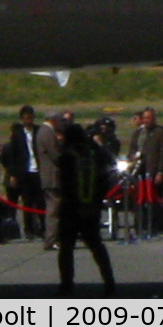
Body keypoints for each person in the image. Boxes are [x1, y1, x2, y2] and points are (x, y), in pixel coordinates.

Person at [54, 123, 116, 296]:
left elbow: (66, 185)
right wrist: (95, 202)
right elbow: (104, 179)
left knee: (66, 249)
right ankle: (109, 283)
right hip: (92, 207)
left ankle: (66, 285)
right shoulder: (94, 154)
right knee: (97, 246)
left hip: (71, 208)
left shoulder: (66, 157)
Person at [129, 106, 163, 237]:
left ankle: (155, 226)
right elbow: (131, 150)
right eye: (145, 118)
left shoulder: (161, 133)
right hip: (138, 172)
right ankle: (139, 226)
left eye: (149, 118)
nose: (147, 120)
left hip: (153, 172)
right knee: (138, 201)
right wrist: (132, 158)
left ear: (154, 119)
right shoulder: (138, 133)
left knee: (153, 201)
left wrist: (161, 171)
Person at [4, 106, 45, 241]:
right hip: (25, 172)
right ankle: (29, 230)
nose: (29, 120)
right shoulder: (17, 135)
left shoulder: (39, 131)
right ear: (22, 119)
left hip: (38, 171)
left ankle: (43, 228)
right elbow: (13, 156)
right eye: (26, 118)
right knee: (27, 202)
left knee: (41, 201)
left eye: (31, 117)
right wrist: (13, 175)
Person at [38, 113, 64, 248]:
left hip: (49, 175)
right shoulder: (47, 132)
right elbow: (54, 153)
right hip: (51, 175)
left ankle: (54, 238)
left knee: (55, 208)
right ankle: (51, 239)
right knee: (53, 209)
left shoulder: (45, 131)